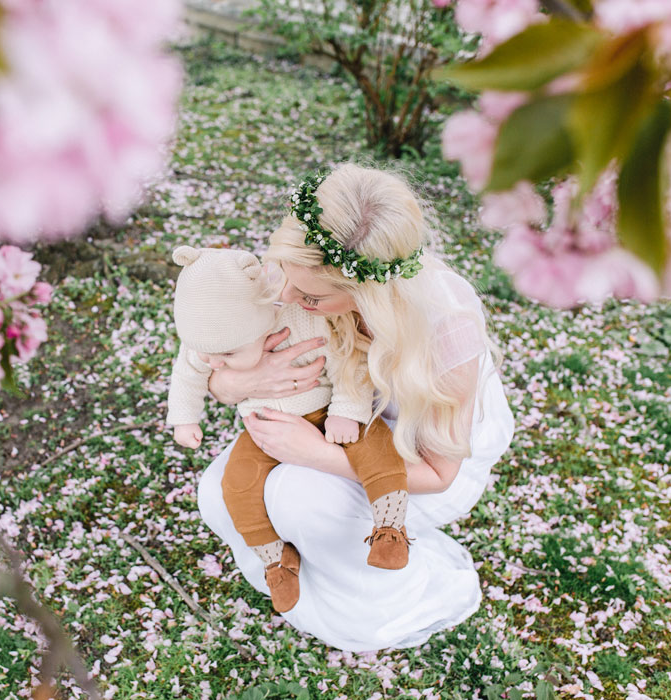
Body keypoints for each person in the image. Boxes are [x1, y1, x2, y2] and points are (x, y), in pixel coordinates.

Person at [196, 163, 515, 651]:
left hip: (413, 459)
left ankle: (393, 592)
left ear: (366, 292)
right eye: (286, 276)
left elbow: (440, 473)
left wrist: (315, 455)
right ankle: (306, 582)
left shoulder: (444, 327)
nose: (283, 297)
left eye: (309, 297)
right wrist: (244, 379)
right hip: (328, 422)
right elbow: (212, 376)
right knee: (217, 493)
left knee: (299, 497)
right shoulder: (302, 265)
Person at [165, 245, 410, 613]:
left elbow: (349, 359)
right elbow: (187, 375)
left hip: (325, 411)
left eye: (227, 356)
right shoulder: (207, 339)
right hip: (265, 427)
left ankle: (390, 528)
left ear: (261, 322)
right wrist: (185, 418)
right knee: (235, 483)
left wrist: (347, 410)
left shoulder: (302, 321)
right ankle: (277, 562)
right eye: (208, 355)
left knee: (375, 446)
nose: (216, 363)